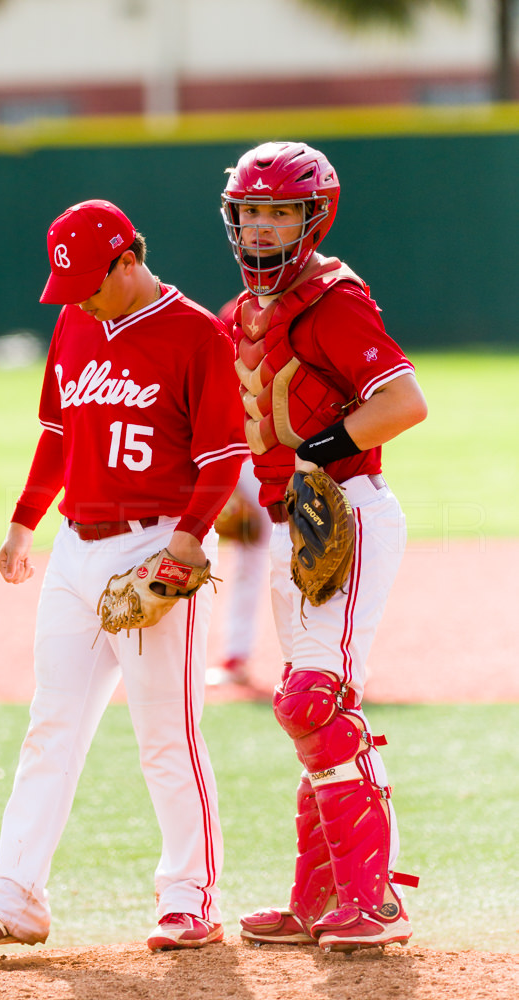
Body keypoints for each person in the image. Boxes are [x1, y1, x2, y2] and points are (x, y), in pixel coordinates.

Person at [0, 198, 247, 954]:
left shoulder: (195, 333)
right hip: (76, 551)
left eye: (89, 282)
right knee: (51, 726)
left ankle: (188, 900)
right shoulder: (76, 321)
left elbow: (222, 457)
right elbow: (55, 435)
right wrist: (22, 521)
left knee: (165, 736)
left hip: (152, 552)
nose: (76, 297)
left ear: (128, 261)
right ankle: (13, 898)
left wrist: (184, 542)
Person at [219, 142, 428, 953]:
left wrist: (316, 456)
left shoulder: (333, 300)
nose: (263, 228)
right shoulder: (235, 316)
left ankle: (372, 900)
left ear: (314, 218)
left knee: (314, 698)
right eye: (250, 212)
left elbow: (402, 401)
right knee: (311, 711)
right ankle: (318, 898)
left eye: (280, 212)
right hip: (287, 523)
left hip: (346, 513)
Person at [206, 456, 271, 686]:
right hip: (246, 453)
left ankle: (335, 656)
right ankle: (237, 656)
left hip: (296, 446)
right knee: (249, 557)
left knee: (315, 554)